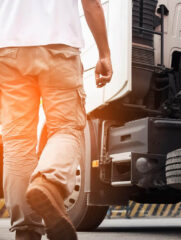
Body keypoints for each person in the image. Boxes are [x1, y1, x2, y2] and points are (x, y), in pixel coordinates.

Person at [0, 0, 113, 239]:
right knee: (66, 128)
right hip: (58, 45)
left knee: (17, 141)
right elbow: (91, 4)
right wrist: (104, 53)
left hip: (8, 49)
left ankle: (26, 229)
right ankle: (49, 183)